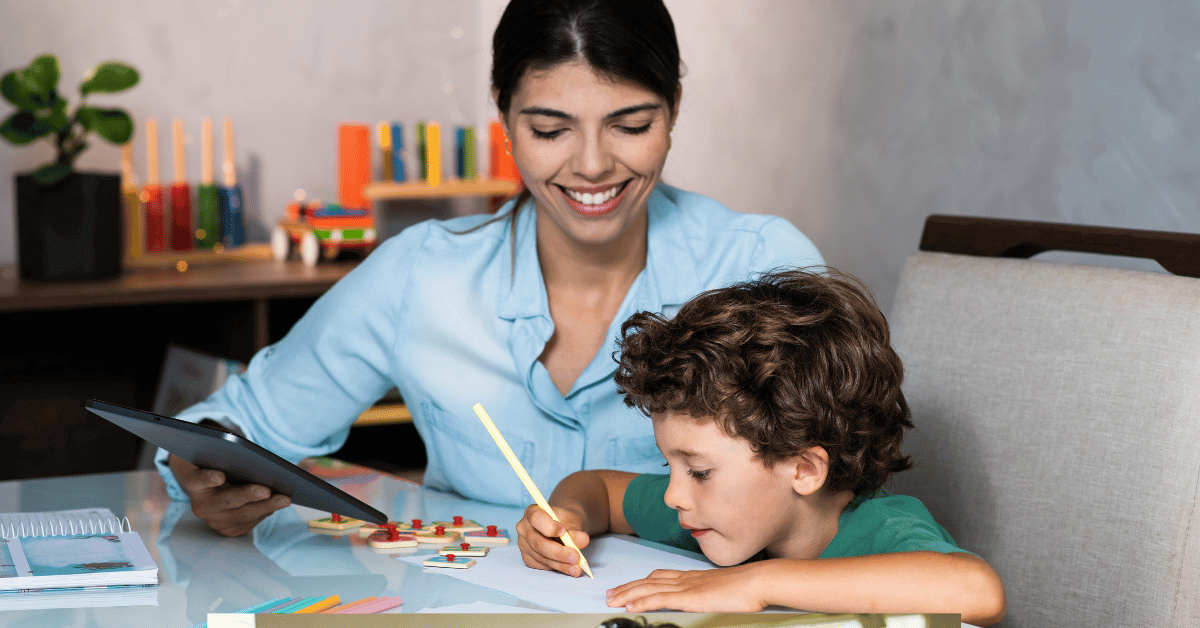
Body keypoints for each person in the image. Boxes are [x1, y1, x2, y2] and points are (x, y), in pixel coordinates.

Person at [158, 0, 823, 538]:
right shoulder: (420, 274)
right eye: (550, 129)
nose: (591, 165)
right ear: (503, 115)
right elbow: (230, 427)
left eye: (630, 124)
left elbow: (840, 488)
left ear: (673, 108)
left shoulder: (760, 267)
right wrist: (208, 476)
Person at [515, 269, 1007, 625]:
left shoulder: (882, 527)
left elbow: (977, 590)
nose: (673, 496)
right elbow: (597, 487)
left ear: (805, 469)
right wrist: (568, 517)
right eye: (671, 466)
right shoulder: (712, 517)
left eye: (699, 471)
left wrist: (755, 584)